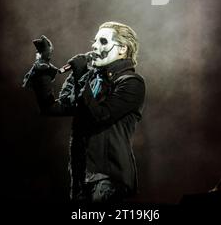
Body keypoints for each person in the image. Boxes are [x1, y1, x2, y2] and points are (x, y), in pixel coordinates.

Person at [23, 21, 146, 203]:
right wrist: (43, 62)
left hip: (109, 179)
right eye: (95, 41)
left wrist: (81, 76)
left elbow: (100, 115)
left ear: (122, 49)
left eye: (103, 41)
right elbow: (51, 108)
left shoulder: (131, 83)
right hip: (81, 177)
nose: (94, 46)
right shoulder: (92, 79)